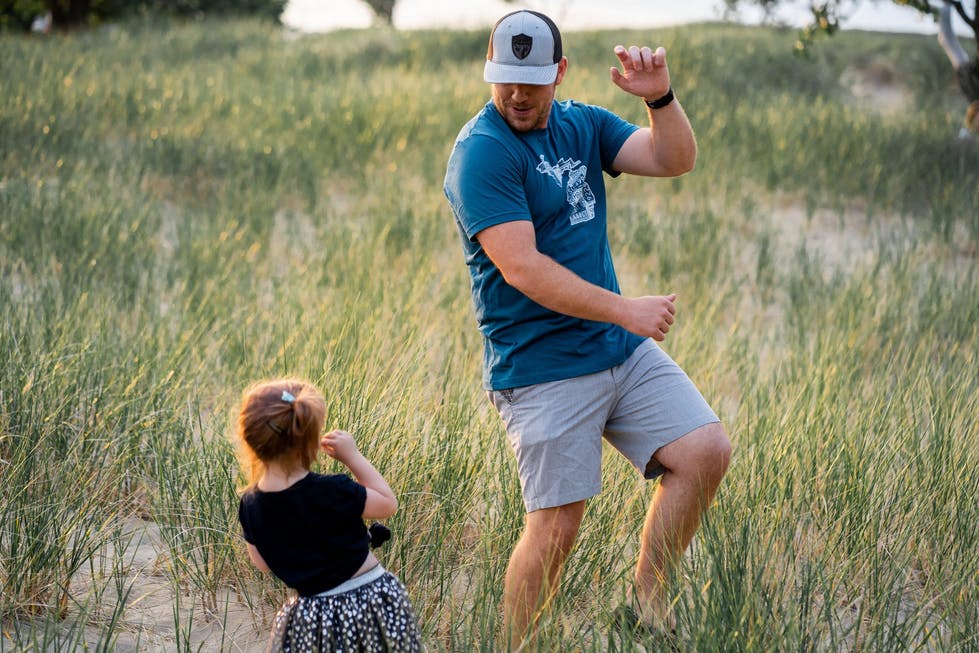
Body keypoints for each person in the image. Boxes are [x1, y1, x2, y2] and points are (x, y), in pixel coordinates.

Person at [443, 9, 732, 647]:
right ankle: (516, 646)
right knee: (556, 525)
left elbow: (673, 159)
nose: (517, 94)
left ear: (560, 73)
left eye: (532, 80)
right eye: (504, 79)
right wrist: (625, 309)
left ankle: (646, 603)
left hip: (615, 350)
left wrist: (660, 97)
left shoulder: (583, 124)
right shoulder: (481, 153)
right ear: (490, 72)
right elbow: (522, 269)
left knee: (704, 451)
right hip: (540, 365)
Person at [235, 378, 422, 652]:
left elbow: (261, 563)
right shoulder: (331, 490)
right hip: (368, 602)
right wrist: (352, 456)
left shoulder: (250, 504)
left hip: (310, 617)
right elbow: (387, 504)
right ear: (309, 442)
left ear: (249, 438)